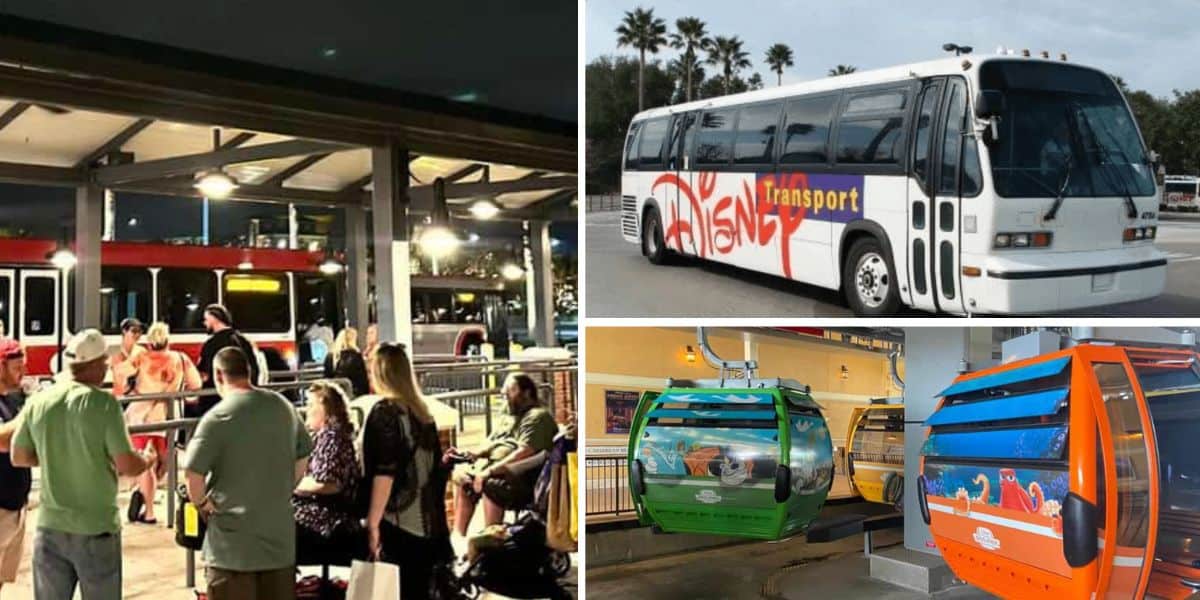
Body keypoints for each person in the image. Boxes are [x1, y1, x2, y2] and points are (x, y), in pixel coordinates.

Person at [11, 329, 153, 600]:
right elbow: (126, 464)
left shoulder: (39, 400)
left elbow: (19, 456)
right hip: (96, 528)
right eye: (104, 362)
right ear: (94, 364)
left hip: (50, 528)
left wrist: (56, 454)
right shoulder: (104, 404)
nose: (107, 367)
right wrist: (147, 460)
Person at [184, 347, 312, 600]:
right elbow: (303, 455)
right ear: (250, 372)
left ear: (219, 375)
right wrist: (285, 486)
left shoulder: (216, 418)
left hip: (232, 549)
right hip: (278, 543)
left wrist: (202, 504)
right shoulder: (282, 407)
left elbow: (192, 474)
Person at [362, 342, 454, 599]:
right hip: (429, 526)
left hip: (398, 522)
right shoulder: (423, 414)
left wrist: (373, 523)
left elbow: (385, 473)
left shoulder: (385, 413)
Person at [447, 373, 557, 539]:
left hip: (522, 477)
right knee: (463, 479)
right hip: (495, 468)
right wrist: (473, 453)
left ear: (526, 393)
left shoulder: (537, 416)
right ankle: (458, 539)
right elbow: (493, 440)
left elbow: (524, 453)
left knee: (490, 484)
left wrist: (489, 471)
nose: (505, 394)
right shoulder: (508, 415)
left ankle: (491, 538)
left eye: (510, 390)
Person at [124, 322, 202, 525]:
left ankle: (147, 506)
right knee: (162, 461)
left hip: (141, 414)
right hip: (168, 414)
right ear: (168, 340)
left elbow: (122, 378)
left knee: (144, 462)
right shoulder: (181, 359)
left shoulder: (140, 357)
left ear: (149, 341)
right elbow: (196, 385)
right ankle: (146, 493)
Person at [293, 382, 358, 543]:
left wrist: (291, 484)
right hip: (315, 513)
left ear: (326, 409)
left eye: (310, 405)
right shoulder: (322, 436)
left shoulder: (332, 436)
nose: (306, 410)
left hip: (324, 519)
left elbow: (328, 484)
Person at [0, 338, 30, 595]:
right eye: (17, 367)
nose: (23, 372)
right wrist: (31, 410)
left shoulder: (12, 399)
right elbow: (2, 439)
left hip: (15, 504)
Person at [193, 304, 260, 418]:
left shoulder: (211, 344)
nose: (204, 323)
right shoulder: (243, 340)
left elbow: (204, 374)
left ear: (214, 319)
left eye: (206, 320)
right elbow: (255, 368)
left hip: (216, 403)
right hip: (244, 401)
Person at [323, 327, 369, 398]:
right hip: (353, 396)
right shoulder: (356, 356)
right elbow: (362, 382)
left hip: (334, 396)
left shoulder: (330, 357)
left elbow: (326, 379)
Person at [109, 318, 146, 398]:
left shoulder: (141, 351)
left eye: (140, 332)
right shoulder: (114, 351)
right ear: (124, 331)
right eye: (134, 331)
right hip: (119, 396)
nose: (137, 335)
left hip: (136, 398)